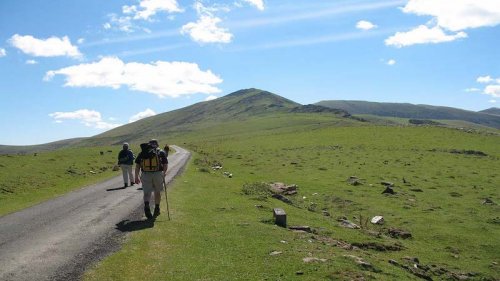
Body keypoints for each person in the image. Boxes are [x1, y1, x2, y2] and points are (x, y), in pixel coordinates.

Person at [134, 139, 168, 219]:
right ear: (157, 144)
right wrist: (164, 173)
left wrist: (136, 177)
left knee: (146, 193)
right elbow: (165, 164)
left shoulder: (142, 153)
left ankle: (146, 205)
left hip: (145, 174)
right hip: (158, 174)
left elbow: (137, 166)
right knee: (157, 191)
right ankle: (157, 208)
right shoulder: (161, 152)